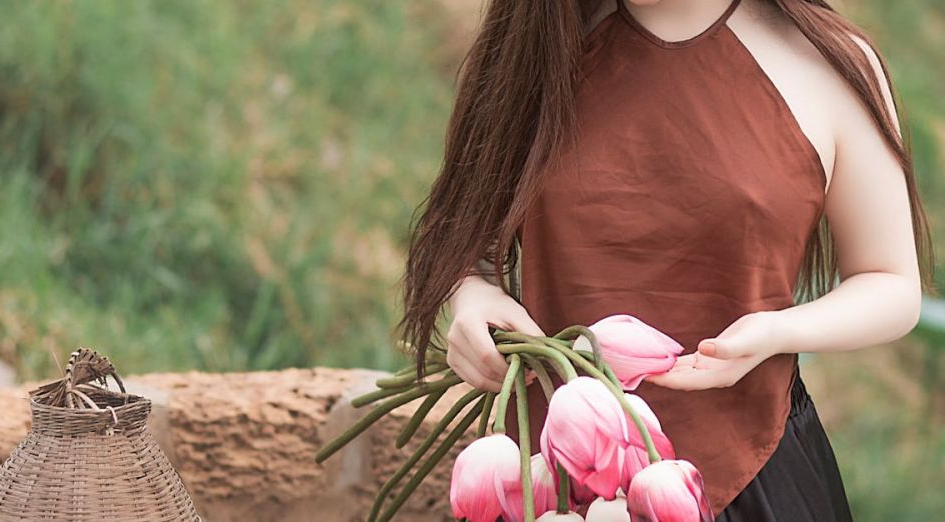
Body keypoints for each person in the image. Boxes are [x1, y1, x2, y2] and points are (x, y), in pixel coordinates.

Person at [397, 0, 935, 519]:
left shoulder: (829, 61)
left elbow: (889, 283)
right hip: (552, 476)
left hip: (749, 469)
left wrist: (775, 331)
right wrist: (472, 296)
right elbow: (467, 239)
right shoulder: (537, 45)